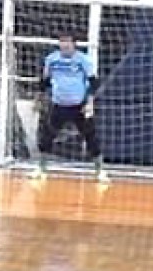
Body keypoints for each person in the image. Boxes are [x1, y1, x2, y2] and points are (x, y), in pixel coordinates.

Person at [34, 32, 105, 183]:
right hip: (59, 105)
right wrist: (39, 98)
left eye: (67, 42)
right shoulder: (52, 59)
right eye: (62, 41)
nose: (64, 45)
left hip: (79, 106)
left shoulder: (83, 60)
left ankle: (100, 171)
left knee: (91, 137)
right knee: (47, 136)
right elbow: (45, 81)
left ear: (74, 44)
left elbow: (94, 83)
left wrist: (89, 102)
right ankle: (41, 168)